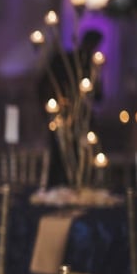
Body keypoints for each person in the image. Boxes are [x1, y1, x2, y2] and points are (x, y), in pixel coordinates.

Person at [35, 29, 104, 186]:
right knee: (59, 151)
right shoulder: (63, 60)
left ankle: (79, 186)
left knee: (82, 154)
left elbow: (98, 96)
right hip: (62, 114)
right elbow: (45, 84)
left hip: (82, 117)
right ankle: (56, 188)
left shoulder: (91, 65)